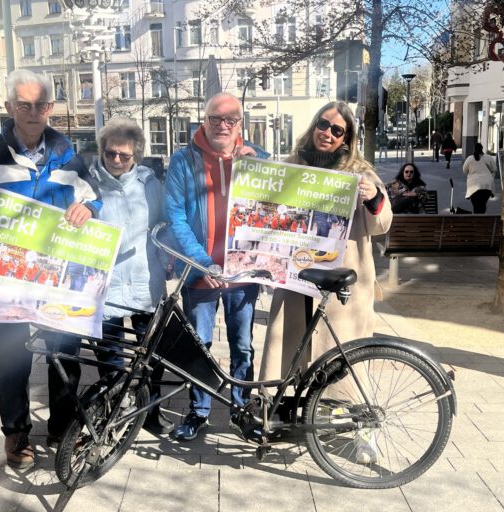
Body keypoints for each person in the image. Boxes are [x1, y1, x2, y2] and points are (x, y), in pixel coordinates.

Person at [0, 69, 102, 469]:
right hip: (6, 277)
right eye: (24, 105)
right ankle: (16, 434)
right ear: (9, 107)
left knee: (64, 353)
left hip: (54, 278)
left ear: (51, 107)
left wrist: (89, 209)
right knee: (12, 358)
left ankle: (63, 427)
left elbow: (92, 199)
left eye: (41, 105)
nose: (33, 113)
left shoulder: (67, 152)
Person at [259, 101, 393, 406]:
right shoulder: (292, 165)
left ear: (346, 138)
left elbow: (382, 223)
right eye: (323, 124)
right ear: (314, 126)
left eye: (337, 130)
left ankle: (355, 417)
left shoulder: (360, 173)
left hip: (339, 278)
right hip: (297, 275)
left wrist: (373, 198)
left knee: (342, 353)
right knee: (291, 345)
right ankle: (286, 406)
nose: (328, 133)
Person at [164, 92, 270, 441]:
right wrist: (203, 264)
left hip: (243, 273)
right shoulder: (182, 161)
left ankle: (241, 410)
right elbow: (176, 219)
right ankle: (199, 411)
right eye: (215, 119)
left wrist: (261, 169)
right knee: (201, 344)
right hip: (201, 272)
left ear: (241, 122)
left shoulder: (258, 158)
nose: (223, 126)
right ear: (204, 119)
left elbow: (280, 207)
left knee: (242, 344)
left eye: (231, 120)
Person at [90, 116, 174, 435]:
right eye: (110, 153)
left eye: (123, 155)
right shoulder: (89, 185)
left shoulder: (150, 184)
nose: (115, 160)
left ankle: (151, 410)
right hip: (107, 287)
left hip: (145, 282)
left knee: (150, 355)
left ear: (135, 156)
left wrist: (166, 256)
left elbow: (164, 224)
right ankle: (109, 412)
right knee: (110, 358)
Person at [462, 142, 497, 213]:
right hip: (487, 185)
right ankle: (481, 220)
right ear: (482, 149)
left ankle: (477, 221)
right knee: (482, 204)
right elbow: (494, 169)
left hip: (473, 186)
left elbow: (464, 171)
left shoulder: (469, 159)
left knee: (476, 206)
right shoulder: (488, 158)